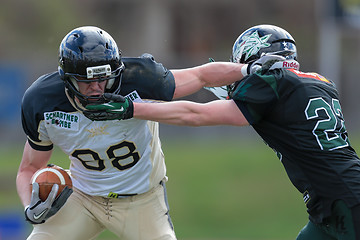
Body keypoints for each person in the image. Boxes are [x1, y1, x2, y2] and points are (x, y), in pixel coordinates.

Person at [87, 24, 360, 239]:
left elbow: (196, 114)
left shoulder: (273, 82)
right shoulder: (320, 82)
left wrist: (132, 108)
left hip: (343, 200)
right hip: (331, 200)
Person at [16, 25, 251, 240]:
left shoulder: (139, 78)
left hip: (142, 201)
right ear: (68, 80)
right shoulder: (42, 102)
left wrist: (247, 69)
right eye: (87, 82)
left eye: (103, 79)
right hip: (81, 197)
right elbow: (29, 168)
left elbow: (201, 75)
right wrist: (31, 207)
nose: (97, 88)